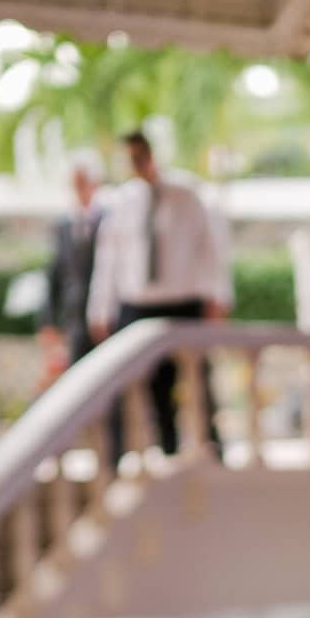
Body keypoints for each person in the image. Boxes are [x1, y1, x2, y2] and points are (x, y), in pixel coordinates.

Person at [87, 128, 230, 459]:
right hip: (139, 305)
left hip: (184, 302)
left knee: (198, 381)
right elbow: (109, 260)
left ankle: (213, 448)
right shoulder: (121, 202)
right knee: (155, 388)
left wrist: (216, 296)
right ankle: (167, 451)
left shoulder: (187, 194)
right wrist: (100, 309)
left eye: (141, 156)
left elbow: (209, 249)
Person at [42, 154, 102, 368]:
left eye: (83, 182)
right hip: (75, 318)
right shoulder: (63, 225)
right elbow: (54, 273)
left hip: (105, 317)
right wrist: (48, 319)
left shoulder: (108, 218)